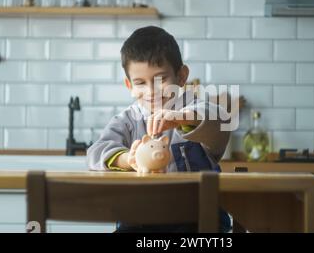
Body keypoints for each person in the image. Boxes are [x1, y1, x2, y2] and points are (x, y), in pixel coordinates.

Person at [86, 26, 231, 233]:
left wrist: (179, 118)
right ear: (129, 86)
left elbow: (218, 119)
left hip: (199, 219)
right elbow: (96, 152)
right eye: (140, 83)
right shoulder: (127, 120)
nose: (151, 91)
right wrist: (128, 159)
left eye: (160, 79)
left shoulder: (194, 108)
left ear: (181, 76)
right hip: (139, 220)